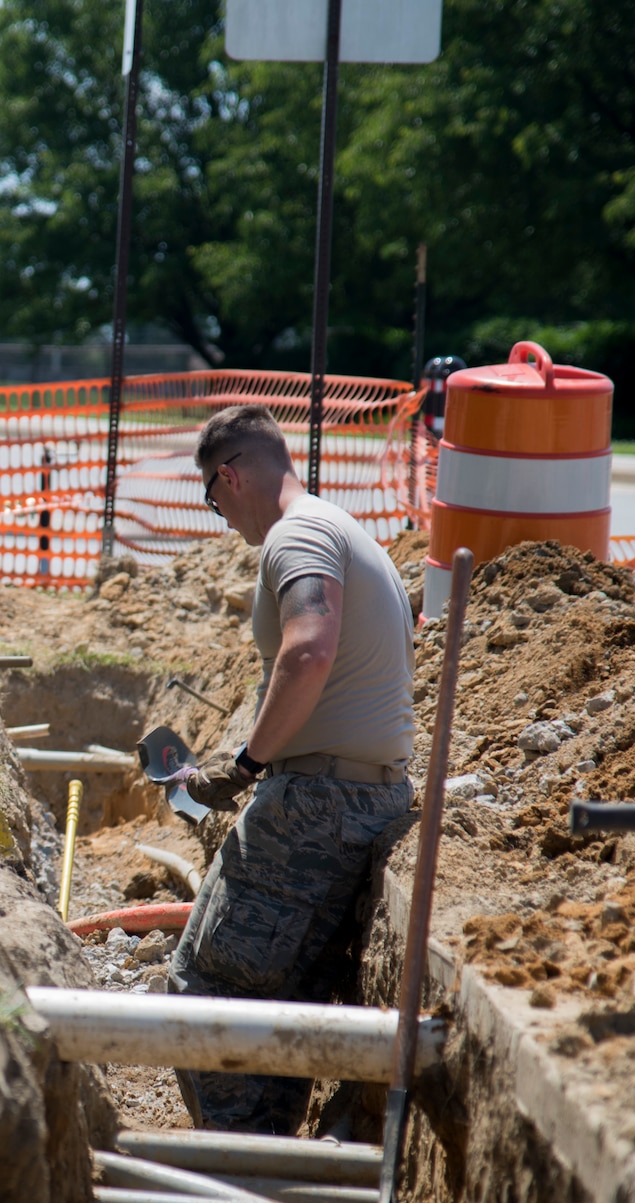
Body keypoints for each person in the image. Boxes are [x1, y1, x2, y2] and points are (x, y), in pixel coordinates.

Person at [170, 404, 417, 1133]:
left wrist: (247, 762)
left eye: (212, 499)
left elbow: (309, 649)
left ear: (231, 474)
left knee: (204, 985)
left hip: (316, 805)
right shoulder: (345, 529)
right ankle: (277, 1162)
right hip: (365, 795)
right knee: (285, 989)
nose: (220, 517)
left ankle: (244, 1170)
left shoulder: (297, 534)